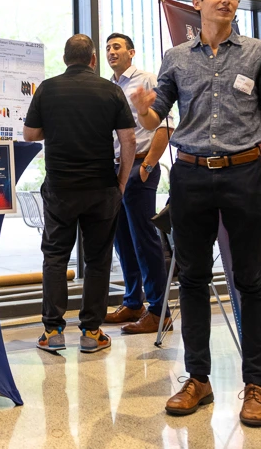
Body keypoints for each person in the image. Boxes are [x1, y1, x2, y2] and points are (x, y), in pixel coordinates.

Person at [130, 0, 261, 427]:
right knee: (195, 279)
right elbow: (153, 121)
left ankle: (256, 386)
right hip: (190, 176)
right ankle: (198, 379)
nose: (226, 0)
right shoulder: (176, 58)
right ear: (198, 2)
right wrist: (144, 107)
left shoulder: (260, 53)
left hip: (245, 173)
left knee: (252, 280)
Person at [23, 34, 135, 354]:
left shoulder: (48, 88)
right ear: (93, 59)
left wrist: (55, 128)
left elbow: (30, 134)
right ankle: (91, 332)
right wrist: (122, 182)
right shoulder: (111, 90)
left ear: (64, 58)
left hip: (60, 189)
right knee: (98, 260)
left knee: (56, 257)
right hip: (102, 188)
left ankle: (53, 331)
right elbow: (128, 141)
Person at [103, 33, 173, 334]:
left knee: (145, 240)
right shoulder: (108, 87)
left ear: (131, 52)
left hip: (140, 167)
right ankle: (134, 302)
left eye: (116, 47)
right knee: (122, 239)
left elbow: (166, 125)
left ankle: (160, 311)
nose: (111, 52)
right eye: (107, 48)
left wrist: (147, 166)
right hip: (116, 170)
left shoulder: (145, 80)